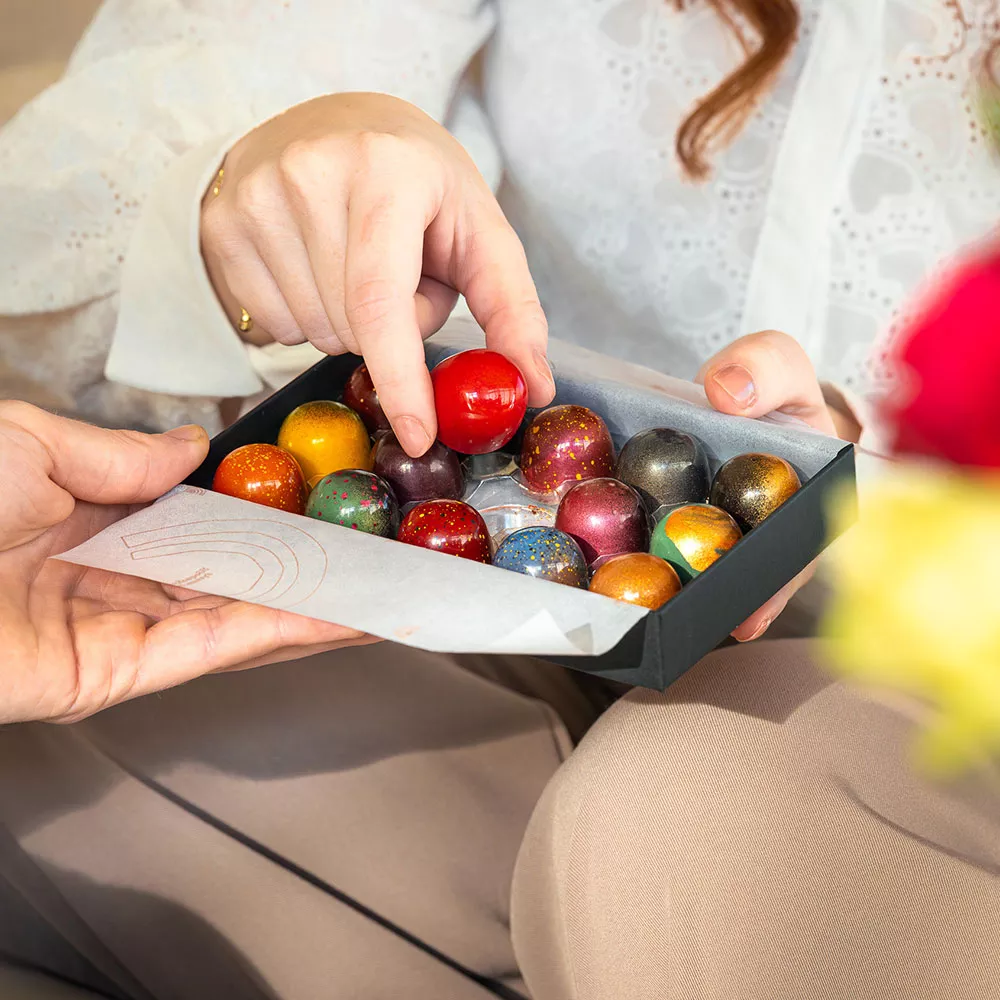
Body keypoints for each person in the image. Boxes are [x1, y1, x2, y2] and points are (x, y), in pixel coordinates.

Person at [1, 0, 999, 996]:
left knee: (682, 818)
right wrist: (239, 214)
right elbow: (97, 209)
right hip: (508, 573)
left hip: (937, 695)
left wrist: (871, 470)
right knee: (59, 687)